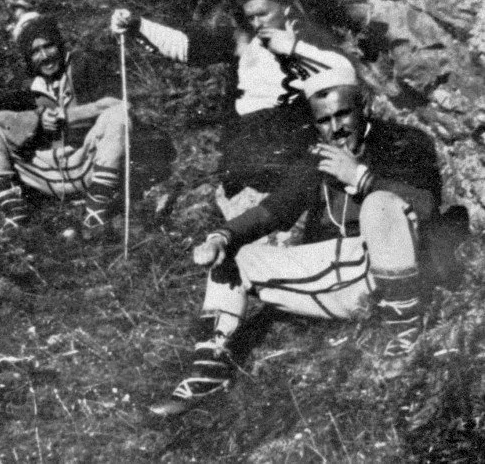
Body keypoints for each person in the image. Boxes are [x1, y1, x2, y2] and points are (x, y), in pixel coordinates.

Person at [148, 64, 442, 417]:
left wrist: (362, 179)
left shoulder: (404, 142)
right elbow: (275, 209)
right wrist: (222, 237)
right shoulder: (317, 159)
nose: (336, 128)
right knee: (235, 257)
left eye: (344, 113)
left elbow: (426, 208)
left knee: (380, 204)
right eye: (324, 120)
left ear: (364, 107)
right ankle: (207, 373)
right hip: (338, 278)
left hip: (387, 271)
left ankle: (405, 335)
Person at [112, 0, 355, 229]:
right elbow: (185, 46)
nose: (257, 23)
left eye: (263, 14)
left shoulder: (310, 40)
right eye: (251, 17)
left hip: (290, 142)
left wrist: (293, 48)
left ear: (286, 9)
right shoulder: (246, 41)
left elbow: (344, 71)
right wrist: (137, 24)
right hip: (245, 143)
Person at [0, 12, 130, 238]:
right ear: (27, 56)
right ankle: (16, 214)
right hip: (44, 174)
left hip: (88, 163)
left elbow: (116, 103)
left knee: (118, 116)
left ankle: (96, 210)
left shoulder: (83, 65)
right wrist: (36, 119)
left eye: (49, 46)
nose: (44, 56)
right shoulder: (25, 84)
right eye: (35, 51)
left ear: (60, 45)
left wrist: (68, 116)